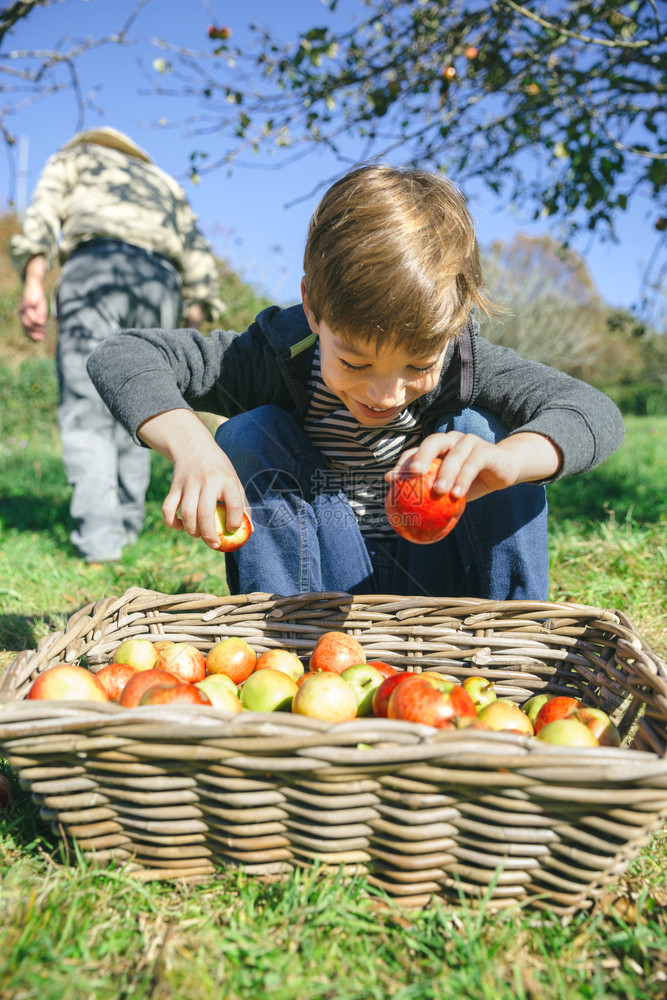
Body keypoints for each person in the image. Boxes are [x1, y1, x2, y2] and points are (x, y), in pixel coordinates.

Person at [87, 163, 625, 599]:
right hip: (320, 592)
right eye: (356, 363)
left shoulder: (467, 362)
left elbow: (593, 412)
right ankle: (285, 653)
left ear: (453, 328)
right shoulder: (276, 355)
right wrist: (191, 447)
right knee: (247, 434)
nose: (385, 394)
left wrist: (508, 461)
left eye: (417, 366)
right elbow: (123, 354)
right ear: (313, 310)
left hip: (447, 597)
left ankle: (512, 649)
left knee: (485, 431)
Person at [10, 126, 224, 563]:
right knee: (144, 401)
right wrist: (193, 319)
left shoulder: (77, 158)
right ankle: (127, 529)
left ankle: (100, 541)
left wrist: (34, 282)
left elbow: (44, 214)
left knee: (87, 406)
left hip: (96, 271)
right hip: (160, 282)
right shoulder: (161, 181)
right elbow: (197, 251)